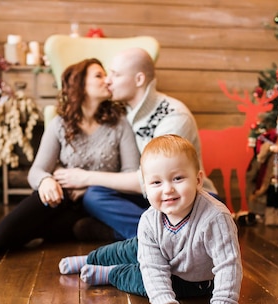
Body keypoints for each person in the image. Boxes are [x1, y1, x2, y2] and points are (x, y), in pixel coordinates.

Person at [0, 58, 140, 266]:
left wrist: (88, 186)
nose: (108, 80)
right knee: (50, 197)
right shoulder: (59, 124)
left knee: (43, 221)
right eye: (99, 76)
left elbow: (132, 173)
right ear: (80, 85)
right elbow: (37, 170)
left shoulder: (119, 124)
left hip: (102, 204)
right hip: (67, 204)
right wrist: (45, 181)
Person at [58, 135, 242, 304]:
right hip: (159, 246)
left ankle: (111, 273)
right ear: (145, 188)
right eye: (156, 183)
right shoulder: (149, 220)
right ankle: (91, 259)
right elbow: (153, 264)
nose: (168, 189)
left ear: (198, 180)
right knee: (125, 250)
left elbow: (228, 264)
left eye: (178, 178)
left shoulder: (215, 217)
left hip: (194, 280)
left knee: (140, 280)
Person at [53, 47, 217, 240]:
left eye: (116, 74)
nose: (108, 80)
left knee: (94, 191)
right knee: (95, 195)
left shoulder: (173, 116)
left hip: (186, 197)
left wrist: (86, 178)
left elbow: (154, 179)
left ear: (139, 80)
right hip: (151, 197)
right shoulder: (121, 114)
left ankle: (146, 238)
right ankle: (156, 235)